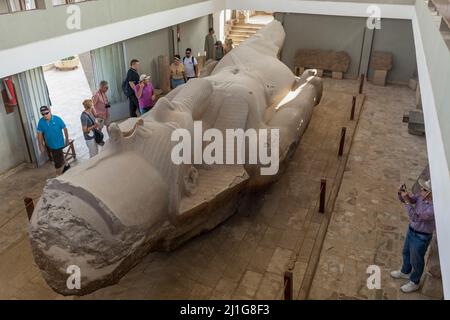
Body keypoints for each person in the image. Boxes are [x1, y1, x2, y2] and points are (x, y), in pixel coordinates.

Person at [391, 179, 436, 293]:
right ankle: (405, 272)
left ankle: (415, 282)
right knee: (406, 252)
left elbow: (415, 217)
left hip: (421, 236)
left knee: (416, 260)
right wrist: (401, 194)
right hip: (411, 230)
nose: (421, 190)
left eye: (425, 189)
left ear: (431, 193)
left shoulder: (432, 209)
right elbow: (410, 200)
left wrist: (407, 202)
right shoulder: (421, 196)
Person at [37, 106, 70, 176]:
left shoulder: (57, 119)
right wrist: (40, 145)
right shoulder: (41, 122)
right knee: (59, 155)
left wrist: (66, 139)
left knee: (57, 161)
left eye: (46, 113)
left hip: (58, 143)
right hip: (50, 144)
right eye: (43, 114)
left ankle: (58, 174)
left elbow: (65, 128)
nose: (45, 115)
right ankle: (67, 165)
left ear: (50, 111)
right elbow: (39, 133)